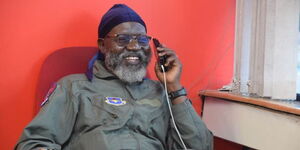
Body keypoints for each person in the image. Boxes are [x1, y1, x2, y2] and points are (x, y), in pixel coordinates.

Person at [15, 4, 213, 150]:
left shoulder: (161, 93)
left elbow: (200, 146)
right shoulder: (73, 87)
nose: (134, 46)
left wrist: (174, 87)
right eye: (123, 39)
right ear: (102, 45)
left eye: (141, 39)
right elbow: (33, 144)